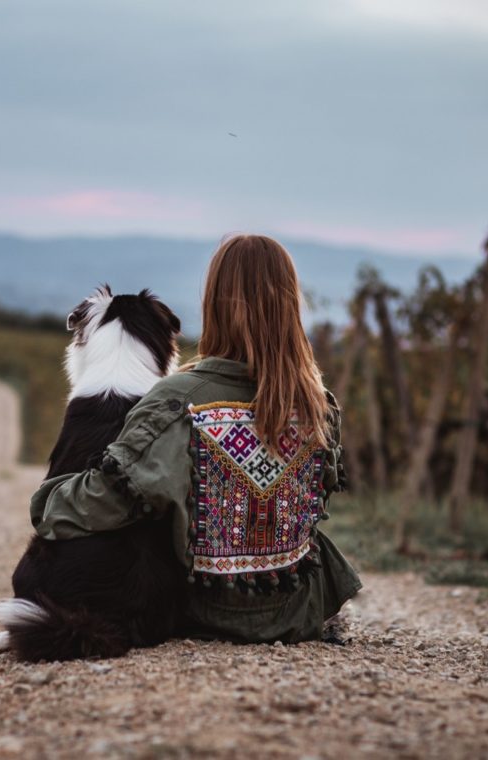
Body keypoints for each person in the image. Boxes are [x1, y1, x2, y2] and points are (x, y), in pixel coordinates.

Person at [29, 234, 361, 644]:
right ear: (292, 304)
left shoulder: (177, 400)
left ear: (215, 303)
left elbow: (110, 499)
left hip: (212, 608)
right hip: (300, 605)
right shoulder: (319, 404)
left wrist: (48, 501)